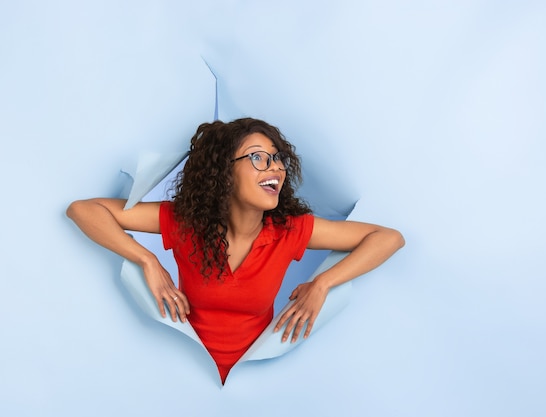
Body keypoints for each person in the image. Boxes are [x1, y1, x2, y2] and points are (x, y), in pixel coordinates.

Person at [66, 118, 404, 383]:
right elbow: (83, 210)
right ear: (224, 170)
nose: (275, 167)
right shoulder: (184, 222)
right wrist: (146, 259)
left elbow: (388, 238)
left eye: (277, 158)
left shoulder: (291, 229)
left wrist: (323, 283)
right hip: (177, 377)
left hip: (260, 383)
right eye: (258, 158)